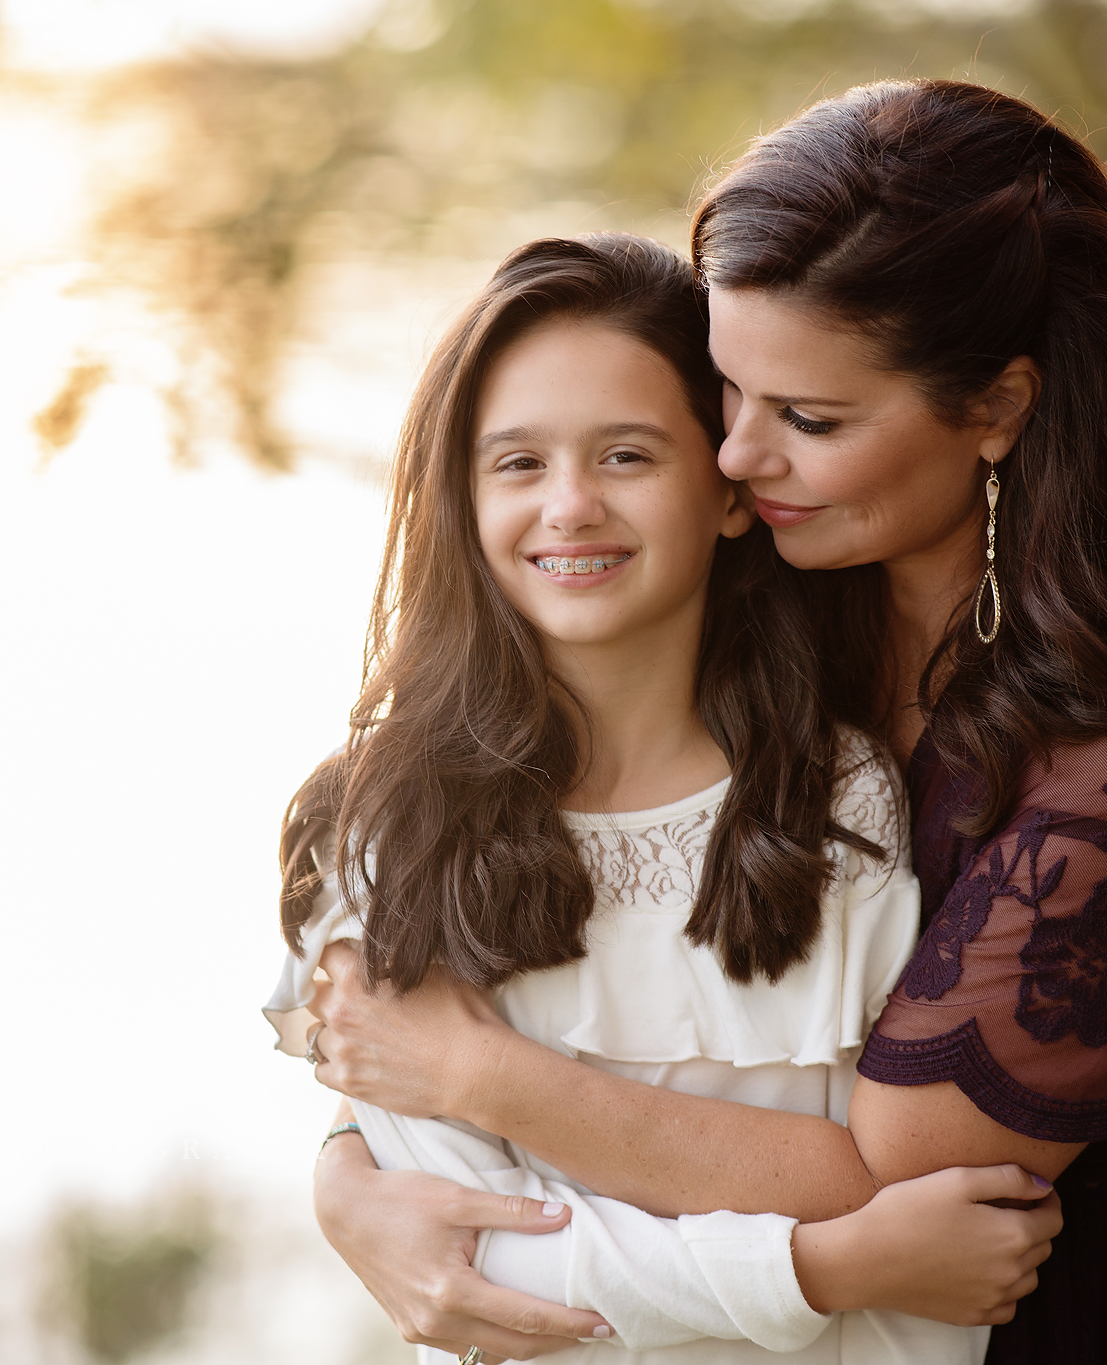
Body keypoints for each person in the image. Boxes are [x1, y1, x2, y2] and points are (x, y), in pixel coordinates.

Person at [307, 80, 1107, 1363]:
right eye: (725, 396)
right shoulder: (788, 581)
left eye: (809, 421)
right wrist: (355, 1177)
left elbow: (897, 1166)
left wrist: (475, 1079)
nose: (738, 461)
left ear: (995, 409)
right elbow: (511, 897)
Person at [267, 231, 1060, 1363]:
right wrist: (820, 1265)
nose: (571, 505)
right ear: (461, 499)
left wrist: (872, 1251)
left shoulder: (843, 805)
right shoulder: (388, 838)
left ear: (728, 490)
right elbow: (481, 1273)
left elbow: (909, 1210)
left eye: (627, 455)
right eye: (517, 463)